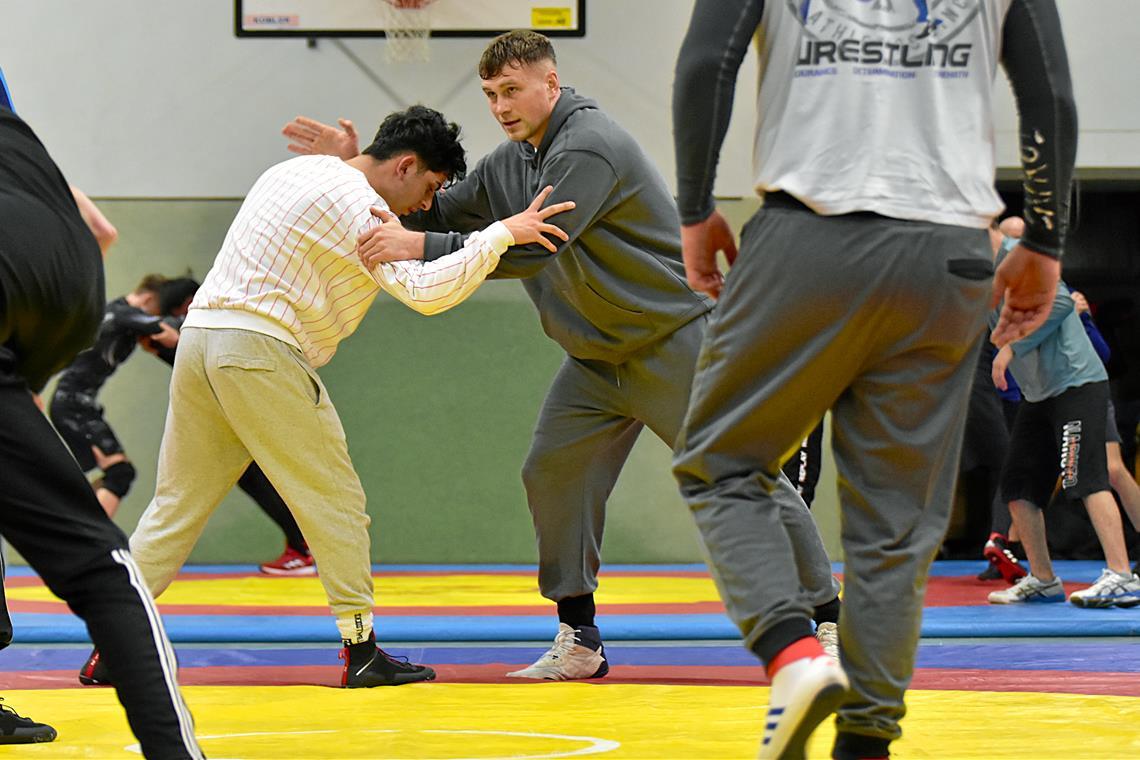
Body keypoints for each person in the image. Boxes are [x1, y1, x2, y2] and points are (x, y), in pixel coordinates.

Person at [283, 30, 844, 677]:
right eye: (491, 94)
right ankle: (579, 638)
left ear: (550, 83)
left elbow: (533, 247)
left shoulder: (588, 144)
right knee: (553, 472)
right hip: (593, 360)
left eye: (512, 90)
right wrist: (360, 171)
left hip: (671, 342)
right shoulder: (507, 163)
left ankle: (826, 621)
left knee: (742, 476)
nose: (500, 105)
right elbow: (436, 212)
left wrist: (420, 251)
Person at [670, 1, 1076, 758]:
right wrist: (1046, 240)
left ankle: (794, 657)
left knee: (719, 463)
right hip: (947, 255)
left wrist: (695, 207)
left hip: (809, 236)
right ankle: (867, 743)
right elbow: (1050, 94)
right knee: (895, 528)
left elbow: (705, 63)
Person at [78, 104, 575, 690]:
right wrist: (500, 234)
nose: (422, 207)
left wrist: (345, 155)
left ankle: (111, 647)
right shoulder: (365, 207)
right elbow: (425, 293)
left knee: (174, 506)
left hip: (200, 343)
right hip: (261, 351)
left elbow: (337, 191)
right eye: (430, 188)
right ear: (407, 165)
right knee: (336, 503)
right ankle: (361, 652)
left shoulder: (294, 172)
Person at [1, 103, 203, 757]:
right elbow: (100, 229)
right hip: (58, 311)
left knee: (116, 477)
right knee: (102, 558)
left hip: (45, 342)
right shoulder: (19, 139)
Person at [986, 272, 1140, 607]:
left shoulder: (1023, 263)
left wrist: (1013, 348)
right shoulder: (981, 285)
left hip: (1077, 385)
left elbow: (1059, 303)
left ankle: (1122, 576)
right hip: (1038, 395)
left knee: (1086, 477)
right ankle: (1043, 579)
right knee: (1018, 486)